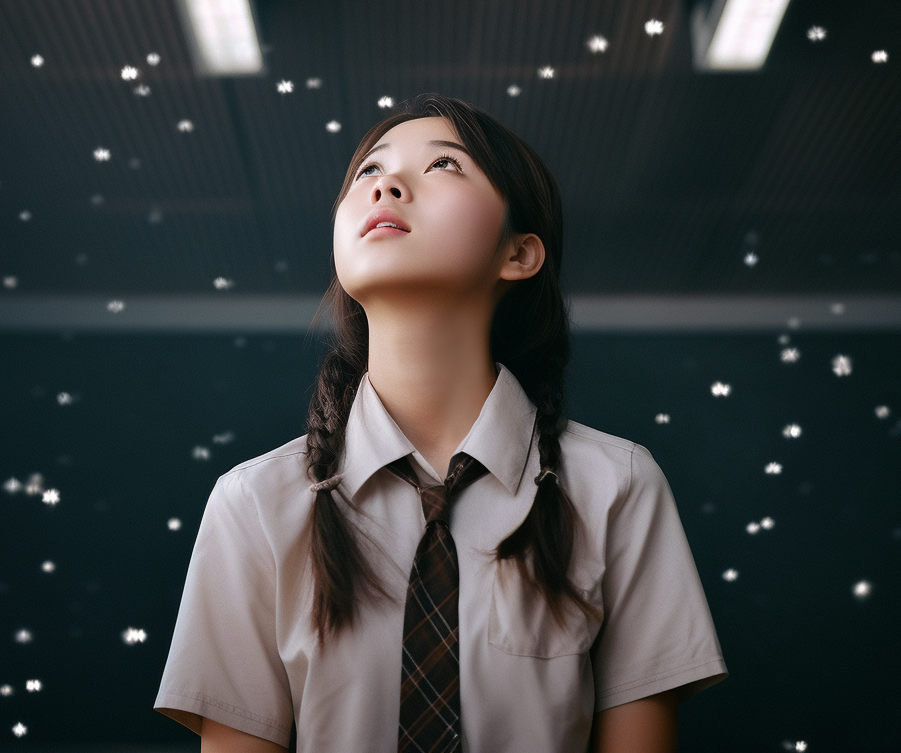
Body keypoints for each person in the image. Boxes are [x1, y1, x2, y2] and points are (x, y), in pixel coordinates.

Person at [153, 93, 727, 752]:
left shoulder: (616, 488)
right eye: (368, 172)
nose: (386, 185)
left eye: (444, 166)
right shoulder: (254, 503)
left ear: (520, 254)